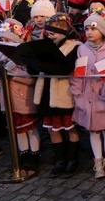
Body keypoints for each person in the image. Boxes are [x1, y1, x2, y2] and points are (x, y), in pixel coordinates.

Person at [31, 13, 83, 177]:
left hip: (63, 94)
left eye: (53, 33)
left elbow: (65, 67)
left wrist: (45, 63)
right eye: (49, 33)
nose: (50, 35)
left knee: (69, 128)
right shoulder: (44, 45)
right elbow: (33, 69)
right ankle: (60, 160)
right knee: (53, 128)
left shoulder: (74, 46)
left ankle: (73, 160)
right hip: (46, 93)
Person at [70, 12, 105, 179]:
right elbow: (78, 73)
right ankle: (98, 161)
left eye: (93, 28)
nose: (89, 32)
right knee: (93, 130)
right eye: (86, 29)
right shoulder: (82, 49)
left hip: (103, 95)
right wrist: (77, 93)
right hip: (87, 96)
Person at [0, 19, 41, 177]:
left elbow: (32, 79)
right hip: (9, 101)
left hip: (24, 99)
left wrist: (13, 74)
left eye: (8, 40)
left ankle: (34, 156)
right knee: (18, 131)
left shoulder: (23, 58)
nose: (5, 43)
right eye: (2, 40)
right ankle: (23, 154)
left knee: (30, 129)